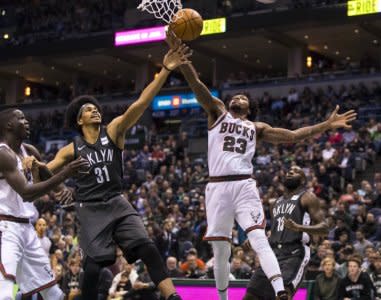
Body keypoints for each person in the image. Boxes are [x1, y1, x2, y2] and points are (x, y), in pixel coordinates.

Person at [166, 31, 356, 300]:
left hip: (244, 183)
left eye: (245, 97)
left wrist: (325, 125)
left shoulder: (257, 127)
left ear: (249, 107)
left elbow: (291, 136)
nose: (240, 97)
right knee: (221, 251)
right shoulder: (217, 112)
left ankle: (280, 291)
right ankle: (222, 298)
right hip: (217, 186)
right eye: (238, 96)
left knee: (258, 238)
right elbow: (197, 84)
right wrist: (181, 57)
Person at [41, 46, 191, 300]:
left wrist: (165, 70)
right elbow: (43, 175)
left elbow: (141, 103)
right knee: (92, 268)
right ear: (79, 121)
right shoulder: (70, 149)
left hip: (117, 202)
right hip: (89, 208)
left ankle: (173, 297)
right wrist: (38, 169)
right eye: (88, 109)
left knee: (148, 248)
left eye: (95, 107)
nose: (95, 110)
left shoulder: (114, 131)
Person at [0, 108, 87, 300]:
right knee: (4, 292)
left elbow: (48, 176)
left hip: (26, 228)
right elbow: (26, 193)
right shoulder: (3, 154)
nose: (27, 121)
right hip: (5, 228)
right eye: (21, 118)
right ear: (9, 125)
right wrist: (67, 172)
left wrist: (63, 192)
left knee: (53, 293)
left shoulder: (29, 151)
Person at [243, 166, 328, 299]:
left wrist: (299, 227)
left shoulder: (307, 197)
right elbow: (275, 231)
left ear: (302, 179)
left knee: (282, 295)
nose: (290, 172)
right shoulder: (275, 203)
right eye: (289, 171)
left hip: (295, 253)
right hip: (273, 254)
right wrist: (258, 238)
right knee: (250, 296)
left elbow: (325, 227)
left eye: (295, 172)